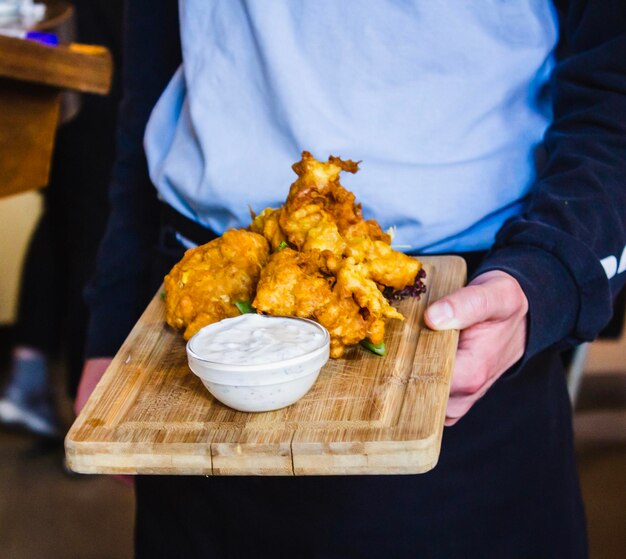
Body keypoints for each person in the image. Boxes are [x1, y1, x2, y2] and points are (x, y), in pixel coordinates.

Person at [76, 1, 626, 557]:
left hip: (460, 324)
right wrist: (112, 321)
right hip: (196, 311)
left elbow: (615, 81)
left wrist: (549, 276)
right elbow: (148, 83)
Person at [0, 0, 123, 438]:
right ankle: (84, 417)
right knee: (91, 240)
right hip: (87, 83)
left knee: (61, 224)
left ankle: (27, 380)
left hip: (54, 76)